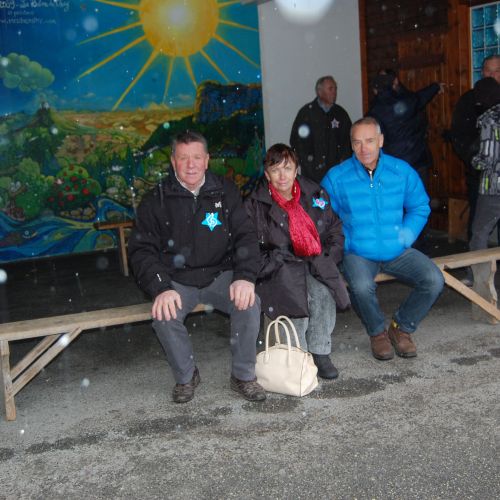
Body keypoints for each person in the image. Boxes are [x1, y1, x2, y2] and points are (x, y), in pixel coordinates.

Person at [128, 130, 266, 403]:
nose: (190, 164)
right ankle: (187, 375)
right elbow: (141, 250)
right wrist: (160, 287)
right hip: (176, 279)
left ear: (207, 160)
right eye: (183, 158)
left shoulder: (225, 191)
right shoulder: (155, 199)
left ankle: (243, 375)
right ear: (173, 161)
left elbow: (246, 236)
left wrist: (245, 276)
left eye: (196, 157)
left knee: (250, 304)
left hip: (220, 273)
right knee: (164, 315)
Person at [321, 117, 444, 360]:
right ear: (351, 145)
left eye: (369, 141)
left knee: (434, 280)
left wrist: (406, 236)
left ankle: (401, 328)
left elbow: (420, 206)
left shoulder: (401, 171)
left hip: (397, 249)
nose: (363, 148)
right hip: (358, 252)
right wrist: (345, 243)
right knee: (361, 287)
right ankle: (378, 333)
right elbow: (322, 217)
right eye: (357, 142)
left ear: (381, 141)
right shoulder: (336, 177)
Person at [245, 144, 350, 379]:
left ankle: (320, 350)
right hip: (276, 267)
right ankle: (297, 354)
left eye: (287, 168)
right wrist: (274, 261)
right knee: (294, 296)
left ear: (296, 170)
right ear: (267, 174)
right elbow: (247, 247)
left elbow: (335, 230)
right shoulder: (255, 204)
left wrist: (326, 260)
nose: (282, 176)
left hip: (313, 262)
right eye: (275, 170)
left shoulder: (314, 194)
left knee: (322, 292)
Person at [450, 55, 500, 243]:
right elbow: (459, 134)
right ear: (482, 72)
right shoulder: (469, 100)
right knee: (478, 228)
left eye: (497, 71)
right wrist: (473, 158)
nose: (492, 75)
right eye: (488, 70)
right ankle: (476, 262)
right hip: (480, 177)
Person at [368, 69, 443, 186]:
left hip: (393, 164)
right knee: (418, 195)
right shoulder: (407, 102)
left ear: (375, 90)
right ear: (393, 84)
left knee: (397, 195)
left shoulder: (373, 112)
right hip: (416, 161)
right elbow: (421, 97)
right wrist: (435, 87)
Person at [290, 76, 352, 183]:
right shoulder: (306, 114)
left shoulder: (340, 114)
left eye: (335, 88)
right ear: (319, 91)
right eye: (330, 88)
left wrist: (343, 162)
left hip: (337, 174)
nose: (334, 92)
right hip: (312, 176)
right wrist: (308, 164)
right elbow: (296, 141)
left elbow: (349, 140)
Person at [469, 79, 500, 255]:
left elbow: (487, 158)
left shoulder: (489, 120)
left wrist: (473, 159)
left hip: (493, 187)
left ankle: (479, 272)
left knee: (479, 233)